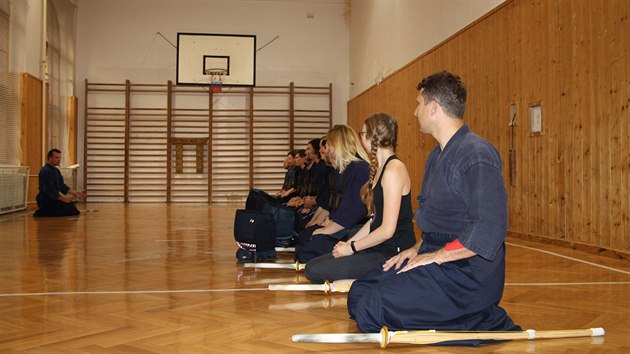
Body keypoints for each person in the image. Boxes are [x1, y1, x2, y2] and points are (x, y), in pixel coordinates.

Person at [347, 71, 520, 341]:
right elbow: (438, 226)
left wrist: (434, 256)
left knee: (370, 310)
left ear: (433, 107)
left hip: (465, 278)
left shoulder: (477, 154)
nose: (415, 112)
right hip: (435, 259)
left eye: (418, 104)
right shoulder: (436, 156)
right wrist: (414, 250)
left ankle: (479, 318)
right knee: (358, 294)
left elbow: (487, 230)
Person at [305, 113, 416, 283]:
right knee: (313, 265)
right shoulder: (380, 169)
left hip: (392, 251)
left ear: (371, 137)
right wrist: (348, 244)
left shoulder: (394, 169)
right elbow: (373, 220)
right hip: (377, 247)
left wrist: (353, 248)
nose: (361, 139)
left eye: (362, 134)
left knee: (315, 271)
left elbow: (387, 230)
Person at [294, 125, 370, 263]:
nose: (326, 149)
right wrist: (326, 224)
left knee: (308, 249)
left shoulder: (359, 169)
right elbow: (336, 207)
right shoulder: (341, 170)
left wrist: (327, 230)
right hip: (341, 227)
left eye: (329, 144)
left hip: (354, 231)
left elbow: (354, 212)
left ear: (338, 145)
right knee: (304, 241)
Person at [33, 149, 86, 217]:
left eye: (59, 157)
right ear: (50, 158)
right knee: (71, 209)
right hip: (46, 200)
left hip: (53, 199)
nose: (59, 159)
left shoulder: (56, 171)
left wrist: (76, 192)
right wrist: (64, 199)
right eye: (56, 158)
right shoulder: (45, 171)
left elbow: (62, 186)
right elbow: (49, 190)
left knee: (72, 208)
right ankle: (42, 212)